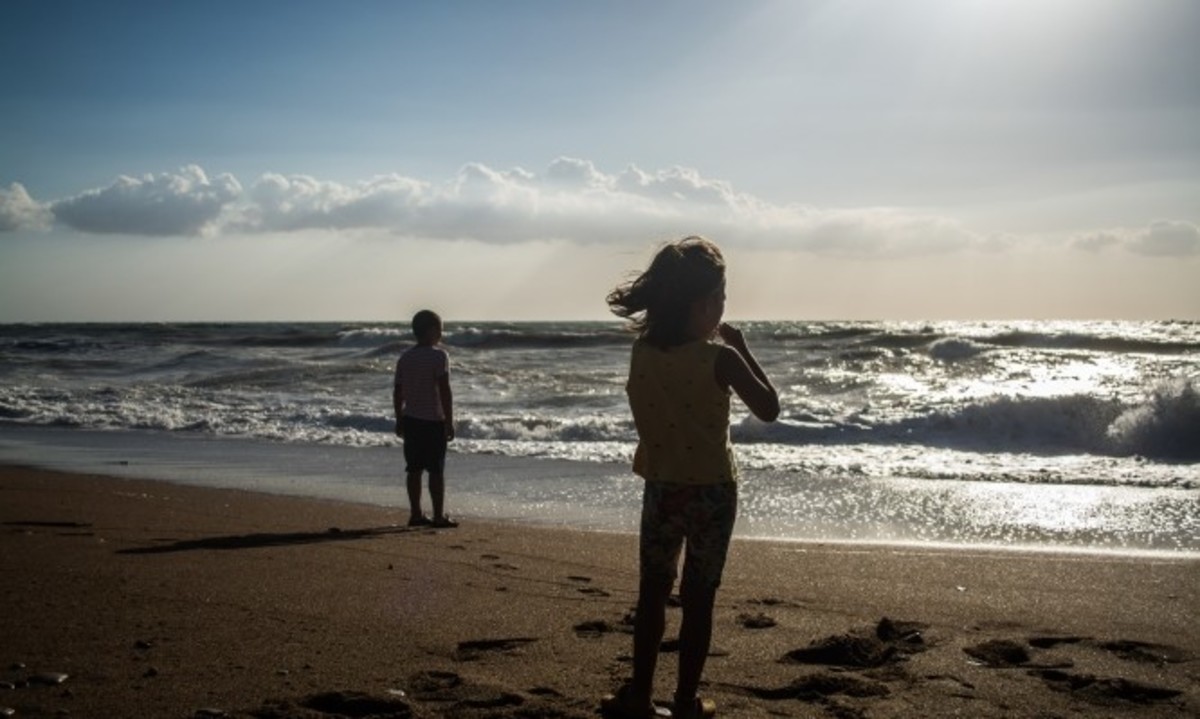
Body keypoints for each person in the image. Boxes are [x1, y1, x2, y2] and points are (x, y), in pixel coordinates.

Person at [602, 237, 779, 719]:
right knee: (699, 598)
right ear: (705, 304)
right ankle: (685, 701)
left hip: (662, 487)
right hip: (713, 493)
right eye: (721, 299)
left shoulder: (642, 352)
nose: (723, 308)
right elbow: (769, 408)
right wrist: (742, 347)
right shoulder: (720, 357)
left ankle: (640, 695)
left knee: (653, 590)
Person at [393, 309, 458, 528]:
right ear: (432, 331)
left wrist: (399, 418)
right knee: (436, 471)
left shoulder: (405, 357)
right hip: (433, 421)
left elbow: (398, 391)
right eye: (440, 329)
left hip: (411, 419)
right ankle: (438, 516)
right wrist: (449, 421)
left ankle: (416, 513)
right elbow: (444, 390)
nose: (441, 334)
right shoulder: (439, 356)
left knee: (413, 469)